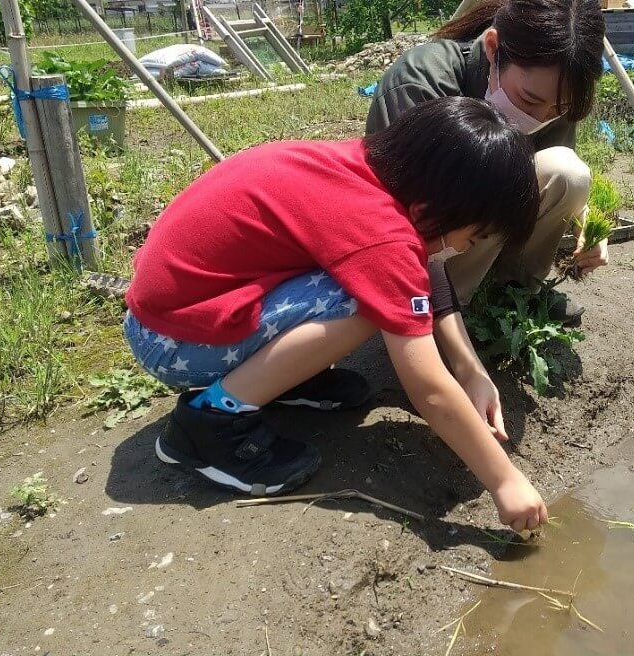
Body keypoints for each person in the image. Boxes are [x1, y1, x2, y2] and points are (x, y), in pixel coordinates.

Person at [123, 97, 549, 532]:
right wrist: (505, 481)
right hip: (172, 342)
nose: (462, 251)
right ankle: (210, 422)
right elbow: (429, 388)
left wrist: (469, 369)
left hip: (170, 311)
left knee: (380, 287)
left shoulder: (361, 166)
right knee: (367, 301)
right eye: (472, 238)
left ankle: (286, 378)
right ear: (426, 212)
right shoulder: (382, 234)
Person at [367, 0, 608, 324]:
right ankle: (444, 308)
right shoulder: (420, 84)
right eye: (529, 100)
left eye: (557, 108)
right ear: (493, 49)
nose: (541, 117)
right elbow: (407, 211)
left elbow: (553, 173)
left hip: (475, 233)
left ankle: (514, 295)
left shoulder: (555, 92)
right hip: (417, 240)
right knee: (494, 181)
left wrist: (587, 224)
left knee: (569, 173)